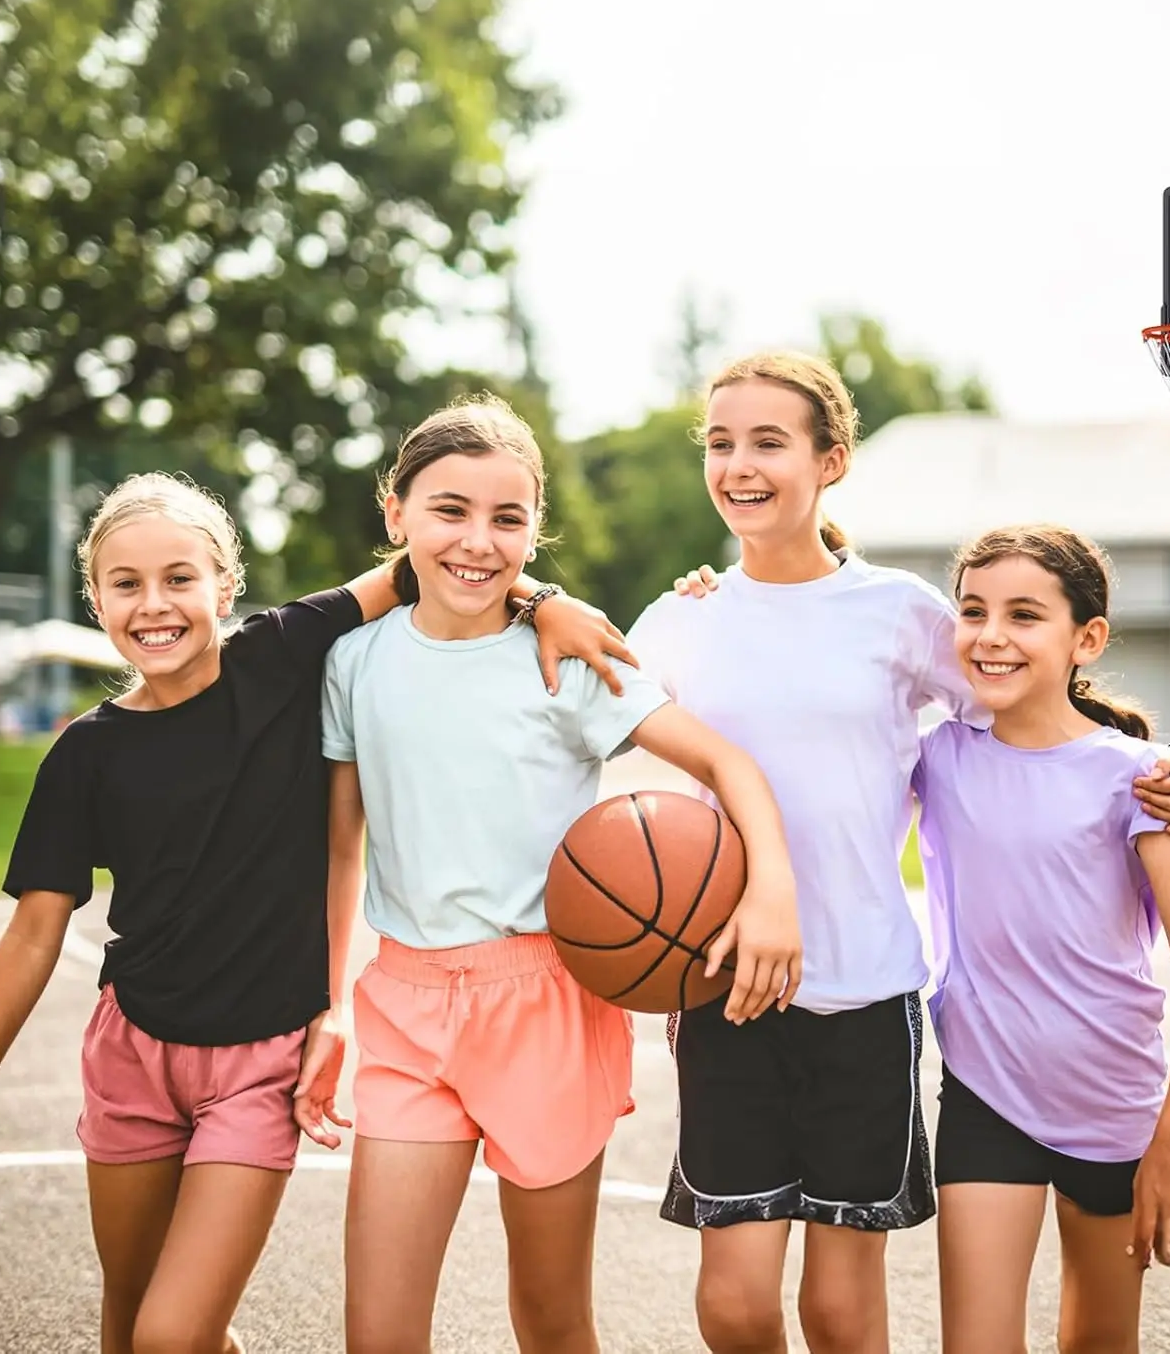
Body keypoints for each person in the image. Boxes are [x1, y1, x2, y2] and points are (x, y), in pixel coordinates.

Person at [0, 469, 637, 1354]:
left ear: (225, 586)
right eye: (126, 585)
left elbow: (429, 559)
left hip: (256, 1062)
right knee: (130, 1323)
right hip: (131, 1051)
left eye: (180, 579)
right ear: (97, 600)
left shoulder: (279, 652)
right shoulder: (84, 755)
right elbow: (35, 930)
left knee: (170, 1335)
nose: (155, 605)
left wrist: (543, 601)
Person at [628, 350, 1170, 1354]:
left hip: (866, 990)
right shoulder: (683, 619)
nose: (740, 464)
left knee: (842, 1310)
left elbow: (1027, 695)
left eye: (770, 441)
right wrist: (540, 604)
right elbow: (586, 701)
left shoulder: (900, 615)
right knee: (732, 1307)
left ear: (832, 460)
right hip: (726, 987)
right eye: (721, 443)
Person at [307, 396, 802, 1354]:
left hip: (549, 1001)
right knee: (377, 1331)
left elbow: (729, 766)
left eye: (509, 518)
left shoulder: (568, 660)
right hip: (406, 1004)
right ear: (395, 514)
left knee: (551, 1319)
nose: (478, 542)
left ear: (536, 530)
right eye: (449, 510)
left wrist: (770, 886)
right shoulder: (353, 662)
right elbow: (342, 847)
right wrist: (326, 1005)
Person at [915, 523, 1170, 1354]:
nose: (990, 636)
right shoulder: (938, 756)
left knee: (1097, 1341)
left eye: (1024, 615)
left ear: (1085, 639)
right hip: (985, 1089)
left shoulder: (1139, 777)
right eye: (973, 610)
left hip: (1114, 1098)